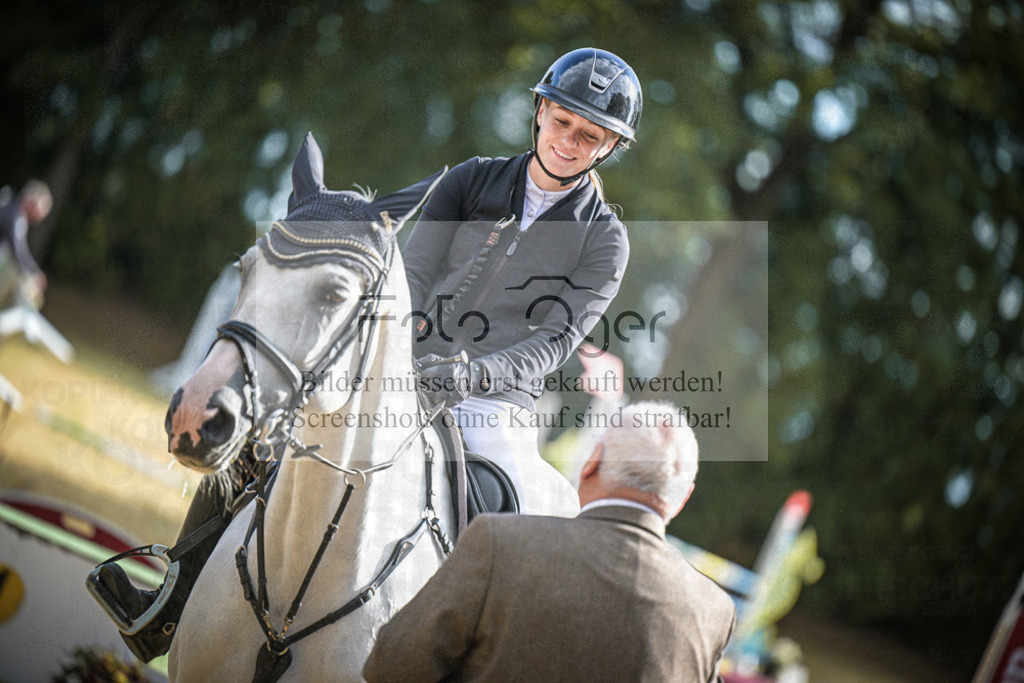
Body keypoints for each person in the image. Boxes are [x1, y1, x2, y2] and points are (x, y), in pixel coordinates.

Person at [407, 47, 642, 508]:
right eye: (562, 122)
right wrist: (402, 342)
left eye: (588, 135)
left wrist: (475, 374)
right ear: (540, 111)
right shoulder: (469, 179)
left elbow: (556, 341)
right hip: (406, 367)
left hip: (493, 403)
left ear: (609, 146)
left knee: (511, 514)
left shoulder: (606, 241)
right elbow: (412, 275)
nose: (568, 143)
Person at [363, 401, 737, 683]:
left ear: (592, 462)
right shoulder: (713, 612)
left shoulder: (501, 542)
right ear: (682, 497)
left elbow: (390, 666)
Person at [0, 180, 51, 305]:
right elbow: (17, 251)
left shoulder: (11, 208)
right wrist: (33, 273)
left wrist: (33, 269)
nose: (43, 214)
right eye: (43, 207)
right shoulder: (15, 216)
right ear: (33, 202)